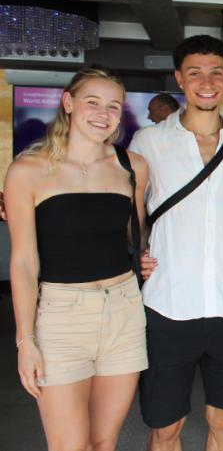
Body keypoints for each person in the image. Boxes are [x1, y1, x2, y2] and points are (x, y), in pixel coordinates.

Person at [6, 67, 149, 451]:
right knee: (70, 445)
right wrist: (26, 341)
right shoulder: (28, 171)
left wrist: (147, 256)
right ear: (68, 103)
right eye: (92, 102)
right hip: (61, 317)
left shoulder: (132, 167)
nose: (103, 113)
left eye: (113, 106)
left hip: (124, 310)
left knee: (104, 442)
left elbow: (136, 235)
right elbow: (23, 261)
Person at [131, 35, 223, 451]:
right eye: (195, 73)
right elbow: (132, 217)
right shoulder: (149, 143)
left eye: (215, 73)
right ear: (179, 79)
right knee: (165, 428)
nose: (206, 82)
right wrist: (133, 254)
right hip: (168, 305)